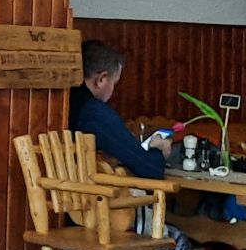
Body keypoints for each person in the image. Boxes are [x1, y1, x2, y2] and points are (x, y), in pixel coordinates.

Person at [68, 39, 170, 179]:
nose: (113, 90)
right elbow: (150, 168)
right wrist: (160, 152)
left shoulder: (62, 100)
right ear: (101, 79)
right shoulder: (93, 112)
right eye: (114, 83)